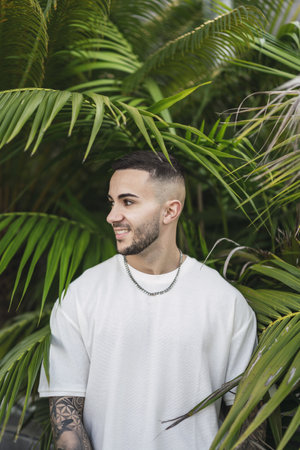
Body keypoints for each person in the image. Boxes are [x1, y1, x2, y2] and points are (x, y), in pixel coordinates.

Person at [39, 151, 257, 450]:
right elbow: (66, 419)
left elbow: (247, 423)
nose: (112, 215)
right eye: (112, 202)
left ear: (170, 212)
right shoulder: (82, 295)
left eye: (127, 202)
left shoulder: (226, 303)